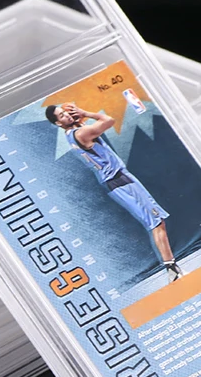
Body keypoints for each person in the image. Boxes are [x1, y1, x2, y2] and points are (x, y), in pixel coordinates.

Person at [45, 102, 184, 283]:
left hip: (116, 181)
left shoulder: (72, 133)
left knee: (157, 222)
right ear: (58, 123)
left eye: (65, 112)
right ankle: (172, 270)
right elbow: (108, 120)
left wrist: (79, 117)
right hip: (119, 180)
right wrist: (86, 112)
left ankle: (173, 268)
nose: (67, 115)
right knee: (156, 222)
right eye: (62, 115)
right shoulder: (80, 133)